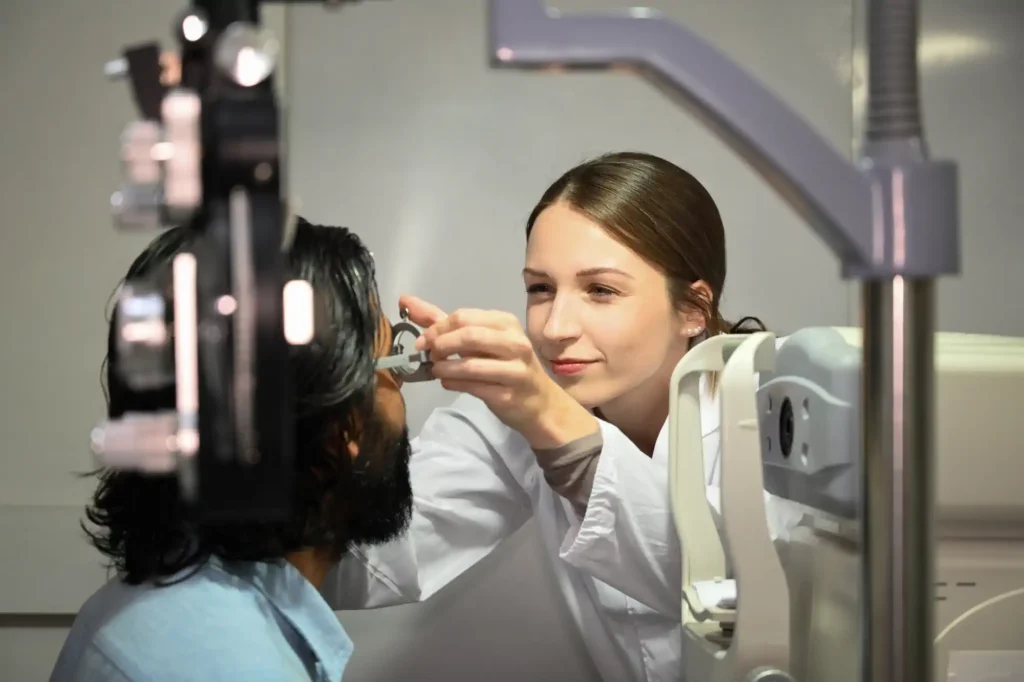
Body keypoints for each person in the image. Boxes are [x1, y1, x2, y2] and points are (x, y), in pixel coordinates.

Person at [323, 151, 777, 682]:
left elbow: (739, 603)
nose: (556, 327)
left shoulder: (775, 409)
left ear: (694, 309)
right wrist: (337, 413)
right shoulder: (516, 415)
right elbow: (370, 557)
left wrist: (552, 421)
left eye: (601, 290)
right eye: (541, 289)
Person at [51, 219, 415, 682]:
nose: (401, 394)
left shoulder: (140, 611)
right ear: (345, 429)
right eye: (395, 368)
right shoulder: (240, 667)